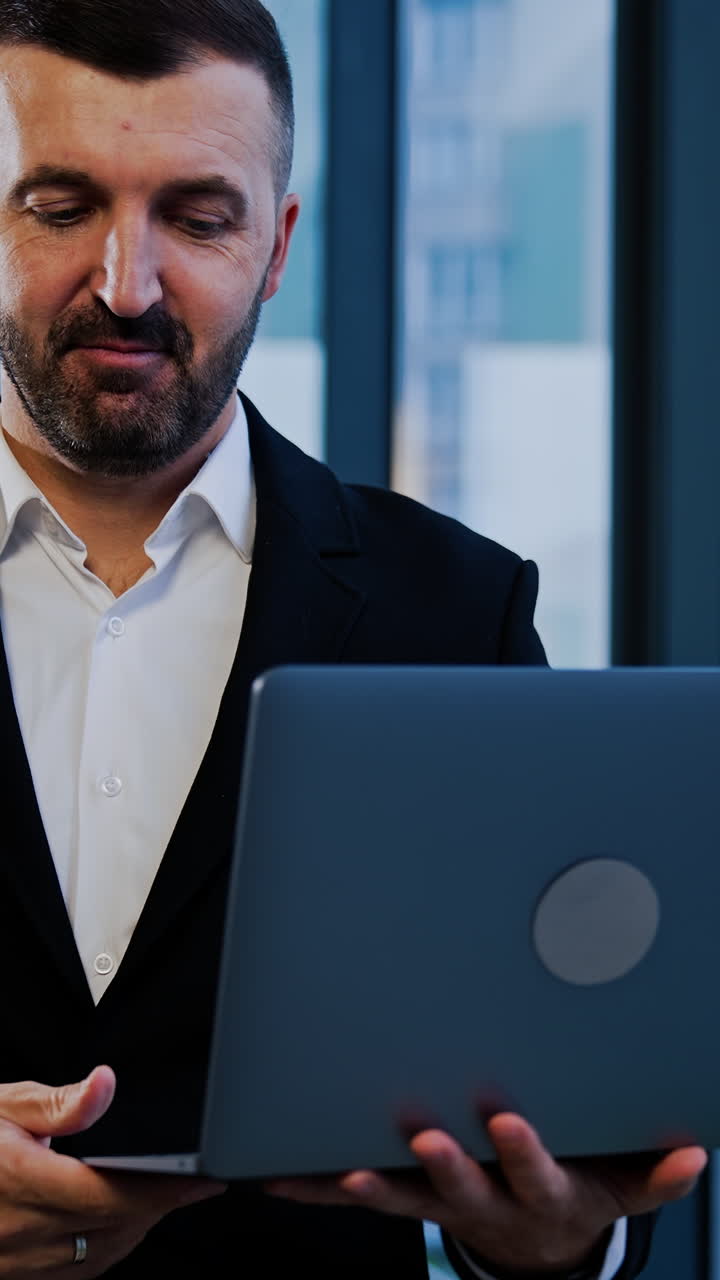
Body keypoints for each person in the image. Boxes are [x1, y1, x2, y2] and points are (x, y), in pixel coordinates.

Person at [0, 2, 706, 1277]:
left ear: (278, 246)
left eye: (199, 217)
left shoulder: (456, 606)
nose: (127, 283)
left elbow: (569, 1104)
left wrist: (552, 1243)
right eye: (60, 205)